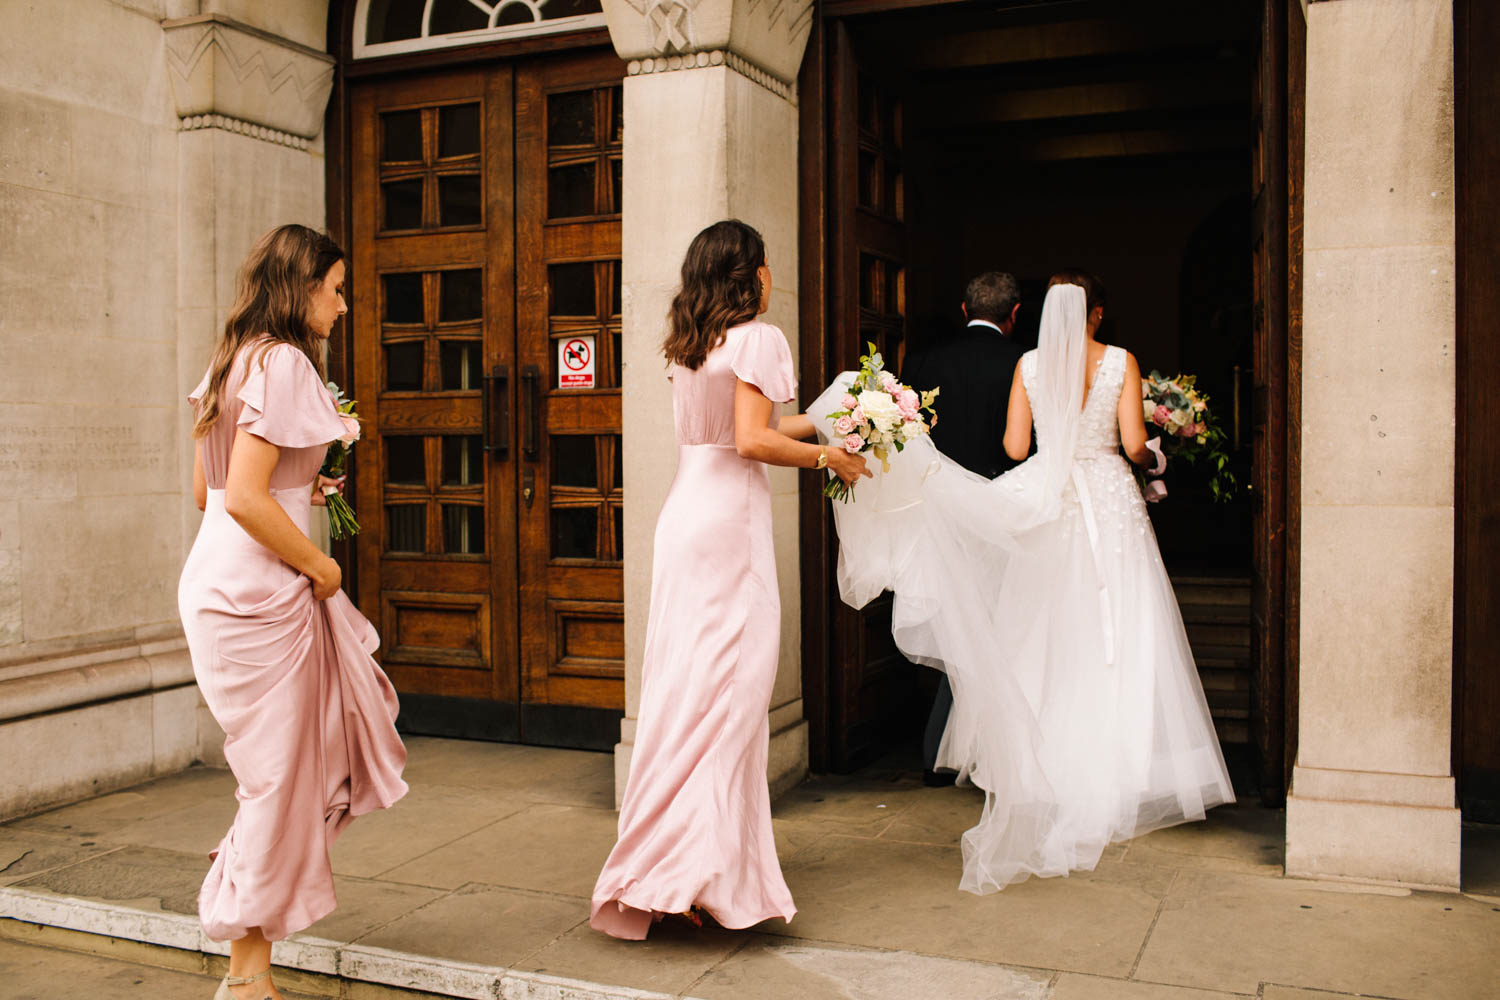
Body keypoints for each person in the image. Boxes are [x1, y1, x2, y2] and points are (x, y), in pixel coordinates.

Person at [811, 273, 1232, 892]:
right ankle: (1124, 769)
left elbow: (1013, 447)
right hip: (1110, 497)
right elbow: (1136, 445)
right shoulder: (1119, 361)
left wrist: (1052, 445)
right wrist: (1159, 459)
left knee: (1046, 628)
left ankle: (1046, 765)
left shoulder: (1029, 366)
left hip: (1053, 504)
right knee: (1121, 623)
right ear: (1096, 313)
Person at [590, 219, 869, 939]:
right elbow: (751, 439)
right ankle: (698, 874)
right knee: (733, 698)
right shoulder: (759, 337)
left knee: (688, 693)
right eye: (768, 262)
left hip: (686, 516)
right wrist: (828, 460)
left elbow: (738, 431)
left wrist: (841, 421)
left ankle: (673, 868)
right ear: (751, 273)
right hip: (728, 529)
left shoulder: (693, 344)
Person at [179, 224, 408, 999]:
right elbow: (242, 497)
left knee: (276, 776)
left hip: (216, 580)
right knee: (279, 780)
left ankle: (250, 964)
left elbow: (210, 494)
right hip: (258, 592)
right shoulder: (279, 361)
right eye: (336, 289)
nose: (343, 306)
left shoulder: (228, 359)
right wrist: (322, 565)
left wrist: (301, 494)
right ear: (301, 286)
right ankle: (246, 980)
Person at [900, 272, 1027, 786]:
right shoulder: (1025, 361)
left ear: (962, 306)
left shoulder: (923, 362)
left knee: (955, 626)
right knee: (1003, 628)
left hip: (938, 512)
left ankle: (943, 751)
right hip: (1006, 509)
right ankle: (987, 754)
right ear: (1014, 313)